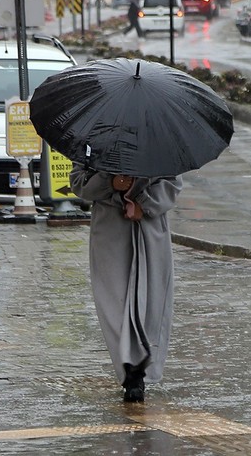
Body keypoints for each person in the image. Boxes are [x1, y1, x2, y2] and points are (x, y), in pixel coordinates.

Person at [70, 165, 182, 402]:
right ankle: (130, 371)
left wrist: (143, 203)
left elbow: (172, 182)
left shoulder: (157, 141)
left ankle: (144, 363)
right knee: (114, 303)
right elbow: (79, 182)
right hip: (109, 231)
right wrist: (111, 183)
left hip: (151, 229)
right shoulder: (93, 142)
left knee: (152, 298)